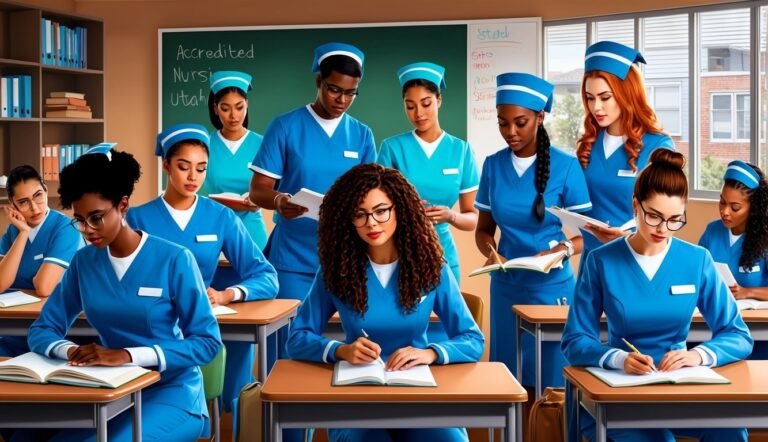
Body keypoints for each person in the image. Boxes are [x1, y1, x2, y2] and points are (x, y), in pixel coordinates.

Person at [26, 144, 222, 441]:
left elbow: (207, 344)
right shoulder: (84, 262)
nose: (88, 229)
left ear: (123, 206)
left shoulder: (174, 259)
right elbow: (42, 329)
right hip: (110, 390)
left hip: (172, 393)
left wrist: (127, 355)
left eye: (97, 217)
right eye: (80, 220)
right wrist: (72, 351)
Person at [562, 149, 752, 442]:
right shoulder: (601, 261)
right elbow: (575, 340)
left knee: (729, 429)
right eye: (654, 217)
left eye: (675, 219)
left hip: (679, 386)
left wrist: (697, 355)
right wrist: (617, 358)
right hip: (622, 391)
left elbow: (737, 334)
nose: (663, 229)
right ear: (635, 205)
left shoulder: (697, 260)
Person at [287, 163, 483, 442]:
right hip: (357, 394)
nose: (372, 223)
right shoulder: (335, 271)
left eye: (381, 211)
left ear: (399, 209)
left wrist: (431, 353)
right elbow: (297, 338)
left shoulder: (432, 268)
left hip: (417, 392)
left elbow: (472, 339)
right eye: (360, 214)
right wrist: (341, 350)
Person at [127, 124, 278, 416]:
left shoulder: (220, 216)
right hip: (149, 324)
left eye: (201, 168)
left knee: (233, 361)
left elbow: (266, 276)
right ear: (166, 166)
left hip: (200, 323)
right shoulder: (137, 217)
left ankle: (220, 418)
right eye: (184, 167)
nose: (193, 176)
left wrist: (226, 295)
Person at [248, 42, 376, 366]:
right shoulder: (286, 127)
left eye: (351, 93)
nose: (342, 100)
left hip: (345, 261)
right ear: (319, 81)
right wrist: (280, 201)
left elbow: (372, 194)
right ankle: (287, 419)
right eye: (335, 90)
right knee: (288, 353)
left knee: (348, 354)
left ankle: (336, 419)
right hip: (293, 260)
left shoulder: (361, 135)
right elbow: (258, 190)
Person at [474, 72, 590, 389]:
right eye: (502, 123)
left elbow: (588, 234)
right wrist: (491, 251)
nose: (510, 132)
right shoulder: (493, 166)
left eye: (520, 122)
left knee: (552, 383)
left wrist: (563, 250)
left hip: (551, 288)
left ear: (540, 117)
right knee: (508, 378)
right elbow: (484, 229)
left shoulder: (566, 167)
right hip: (506, 285)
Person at [378, 62, 478, 283]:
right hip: (399, 255)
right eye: (410, 106)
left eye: (426, 103)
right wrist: (406, 212)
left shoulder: (461, 150)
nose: (419, 113)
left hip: (444, 256)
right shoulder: (392, 148)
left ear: (439, 100)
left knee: (446, 316)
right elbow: (376, 209)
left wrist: (450, 216)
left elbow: (472, 218)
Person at [576, 41, 674, 257]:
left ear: (627, 93)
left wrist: (625, 238)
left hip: (633, 258)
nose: (596, 108)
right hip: (592, 261)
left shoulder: (658, 146)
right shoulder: (589, 143)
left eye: (605, 97)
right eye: (590, 98)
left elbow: (667, 220)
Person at [0, 165, 83, 357]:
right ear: (12, 205)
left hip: (57, 326)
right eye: (23, 202)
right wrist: (23, 233)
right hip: (18, 328)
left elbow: (44, 287)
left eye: (38, 195)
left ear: (46, 190)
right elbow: (1, 283)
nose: (34, 207)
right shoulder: (12, 232)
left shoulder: (66, 228)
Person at [699, 160, 768, 358]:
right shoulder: (712, 231)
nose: (725, 211)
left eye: (735, 207)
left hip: (756, 330)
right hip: (714, 321)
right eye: (722, 202)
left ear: (753, 207)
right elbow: (696, 272)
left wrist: (747, 292)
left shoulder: (765, 237)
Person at [204, 70, 268, 249]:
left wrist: (259, 199)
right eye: (225, 108)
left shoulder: (263, 144)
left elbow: (276, 187)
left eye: (239, 107)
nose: (233, 116)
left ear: (247, 104)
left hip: (253, 233)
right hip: (214, 229)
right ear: (216, 109)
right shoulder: (204, 145)